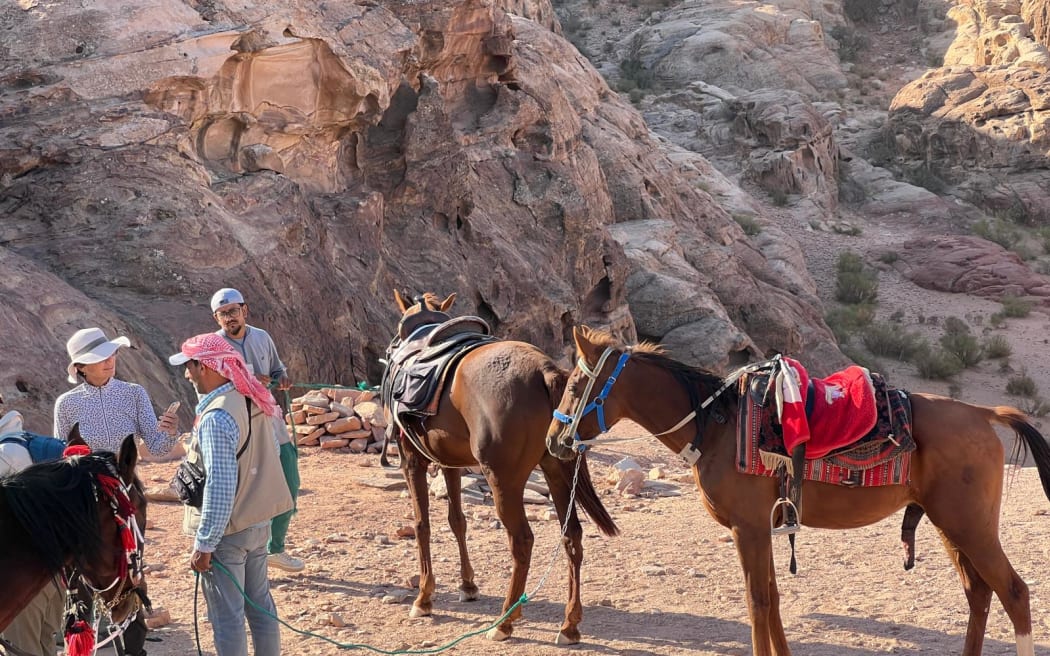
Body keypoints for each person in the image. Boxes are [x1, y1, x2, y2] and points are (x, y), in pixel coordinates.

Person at [53, 326, 180, 656]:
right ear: (80, 367)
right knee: (79, 571)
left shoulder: (133, 393)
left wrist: (168, 431)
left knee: (130, 567)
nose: (110, 361)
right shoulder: (66, 404)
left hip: (126, 495)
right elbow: (61, 457)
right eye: (100, 358)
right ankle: (81, 641)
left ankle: (133, 649)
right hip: (83, 498)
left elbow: (155, 445)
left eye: (111, 354)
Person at [168, 333, 292, 656]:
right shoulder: (252, 398)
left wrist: (204, 543)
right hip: (258, 524)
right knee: (260, 605)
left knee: (227, 618)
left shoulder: (216, 417)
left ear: (207, 367)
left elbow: (221, 487)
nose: (187, 374)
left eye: (191, 366)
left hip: (228, 535)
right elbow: (270, 456)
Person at [210, 287, 304, 573]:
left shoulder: (262, 337)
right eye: (223, 314)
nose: (229, 318)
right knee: (247, 491)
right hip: (239, 425)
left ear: (244, 310)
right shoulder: (214, 347)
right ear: (216, 318)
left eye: (233, 311)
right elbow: (212, 386)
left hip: (271, 420)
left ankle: (276, 549)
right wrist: (248, 380)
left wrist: (281, 378)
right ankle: (250, 556)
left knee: (290, 480)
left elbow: (277, 369)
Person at [0, 396, 64, 656]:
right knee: (44, 646)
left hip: (22, 578)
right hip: (52, 572)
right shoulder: (25, 441)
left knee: (21, 650)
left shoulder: (5, 455)